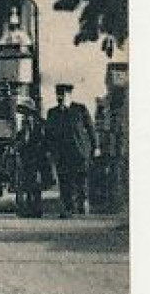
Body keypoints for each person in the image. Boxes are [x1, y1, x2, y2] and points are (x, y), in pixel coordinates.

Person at [44, 82, 96, 217]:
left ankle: (82, 204)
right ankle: (68, 208)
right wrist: (50, 150)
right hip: (62, 154)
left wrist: (95, 147)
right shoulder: (52, 113)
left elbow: (90, 129)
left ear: (69, 95)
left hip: (79, 151)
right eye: (58, 95)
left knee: (81, 180)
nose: (60, 98)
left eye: (63, 95)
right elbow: (48, 134)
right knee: (65, 181)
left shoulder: (80, 109)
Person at [13, 98, 48, 218]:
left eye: (24, 111)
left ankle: (36, 209)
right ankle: (24, 208)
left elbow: (44, 140)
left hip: (37, 157)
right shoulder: (20, 125)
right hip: (24, 158)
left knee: (36, 185)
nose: (23, 114)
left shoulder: (40, 124)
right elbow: (18, 140)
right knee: (23, 184)